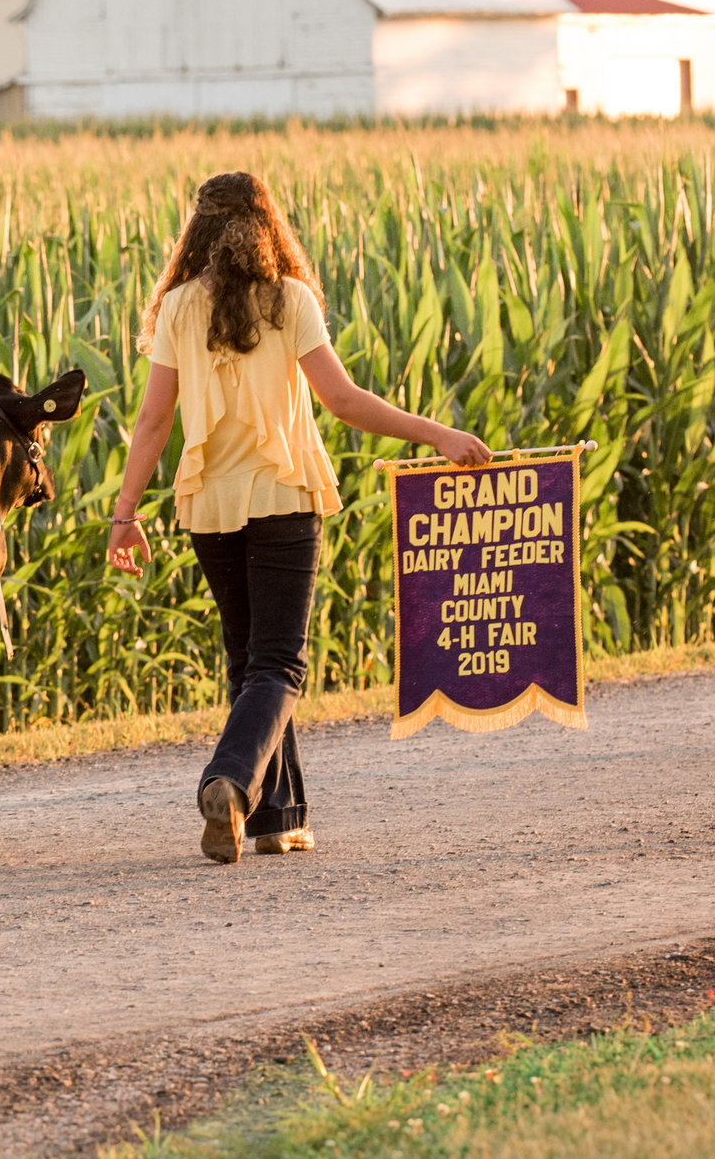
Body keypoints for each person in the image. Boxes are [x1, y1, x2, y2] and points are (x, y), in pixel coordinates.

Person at [104, 172, 490, 864]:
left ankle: (276, 819)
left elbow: (153, 419)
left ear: (197, 232)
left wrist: (123, 515)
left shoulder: (178, 309)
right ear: (267, 225)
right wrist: (436, 434)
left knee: (249, 660)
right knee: (278, 664)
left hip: (210, 507)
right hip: (283, 497)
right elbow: (343, 401)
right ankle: (227, 784)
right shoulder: (290, 301)